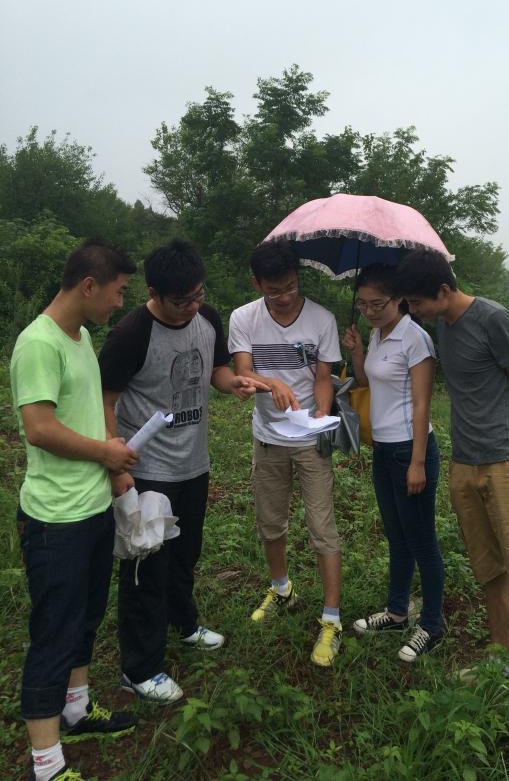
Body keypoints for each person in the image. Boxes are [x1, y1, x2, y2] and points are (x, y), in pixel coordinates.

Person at [395, 247, 509, 740]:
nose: (412, 311)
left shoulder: (493, 319)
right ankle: (499, 666)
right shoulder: (443, 326)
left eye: (416, 303)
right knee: (491, 574)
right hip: (466, 468)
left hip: (508, 467)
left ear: (443, 291)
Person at [99, 239, 267, 703]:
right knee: (144, 568)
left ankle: (185, 624)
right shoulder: (132, 333)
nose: (192, 307)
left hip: (193, 463)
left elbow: (215, 371)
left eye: (198, 295)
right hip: (147, 468)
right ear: (154, 292)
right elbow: (105, 399)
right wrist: (116, 463)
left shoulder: (207, 318)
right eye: (181, 301)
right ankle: (140, 667)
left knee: (185, 555)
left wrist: (233, 381)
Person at [11, 239, 139, 781]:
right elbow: (39, 429)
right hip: (54, 520)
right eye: (117, 292)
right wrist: (105, 452)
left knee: (86, 616)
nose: (118, 303)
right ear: (89, 286)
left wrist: (114, 465)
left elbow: (89, 413)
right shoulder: (38, 344)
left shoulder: (82, 335)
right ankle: (46, 761)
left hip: (90, 507)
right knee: (54, 630)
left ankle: (78, 708)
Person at [228, 241, 343, 667]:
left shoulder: (322, 319)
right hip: (268, 438)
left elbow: (323, 378)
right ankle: (281, 590)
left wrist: (322, 417)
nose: (285, 297)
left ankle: (331, 620)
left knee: (322, 526)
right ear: (257, 283)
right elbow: (242, 370)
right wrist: (268, 383)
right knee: (270, 522)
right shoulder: (244, 318)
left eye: (291, 287)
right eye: (275, 291)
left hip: (310, 441)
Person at [342, 264, 445, 662]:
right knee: (397, 536)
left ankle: (432, 625)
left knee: (422, 541)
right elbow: (368, 384)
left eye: (378, 304)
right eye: (363, 304)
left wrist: (417, 461)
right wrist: (356, 352)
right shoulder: (376, 332)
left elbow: (422, 403)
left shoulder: (415, 338)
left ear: (399, 299)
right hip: (383, 450)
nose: (369, 310)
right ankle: (398, 611)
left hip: (409, 450)